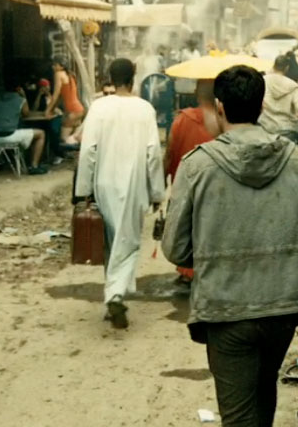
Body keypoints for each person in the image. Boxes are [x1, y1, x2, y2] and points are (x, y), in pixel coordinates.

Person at [162, 65, 298, 426]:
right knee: (264, 391)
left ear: (220, 107)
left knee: (238, 415)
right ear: (262, 106)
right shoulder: (296, 159)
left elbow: (176, 249)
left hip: (226, 309)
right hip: (283, 305)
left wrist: (211, 258)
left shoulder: (198, 165)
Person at [75, 58, 165, 329]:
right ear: (133, 78)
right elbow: (153, 153)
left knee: (110, 241)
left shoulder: (99, 107)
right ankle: (115, 295)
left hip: (104, 182)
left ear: (111, 79)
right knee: (128, 242)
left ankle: (112, 293)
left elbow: (88, 150)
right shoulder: (144, 109)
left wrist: (84, 189)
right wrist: (157, 191)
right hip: (134, 184)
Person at [163, 79, 220, 286]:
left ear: (196, 92)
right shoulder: (223, 120)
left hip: (186, 181)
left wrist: (163, 178)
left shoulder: (183, 119)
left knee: (187, 227)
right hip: (214, 183)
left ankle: (188, 271)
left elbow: (170, 152)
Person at [259, 55, 298, 147]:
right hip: (287, 130)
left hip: (265, 128)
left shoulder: (263, 81)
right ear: (287, 68)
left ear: (274, 66)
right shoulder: (292, 85)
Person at [0, 84, 48, 175]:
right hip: (8, 136)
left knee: (18, 131)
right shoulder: (20, 99)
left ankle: (1, 160)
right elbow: (26, 114)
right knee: (41, 134)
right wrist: (23, 96)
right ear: (18, 89)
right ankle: (34, 166)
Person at [45, 56, 85, 145]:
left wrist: (47, 111)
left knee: (64, 139)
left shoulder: (58, 74)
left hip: (72, 111)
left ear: (61, 66)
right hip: (79, 110)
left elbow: (56, 95)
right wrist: (52, 109)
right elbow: (62, 96)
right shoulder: (70, 75)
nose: (53, 67)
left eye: (55, 65)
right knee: (75, 140)